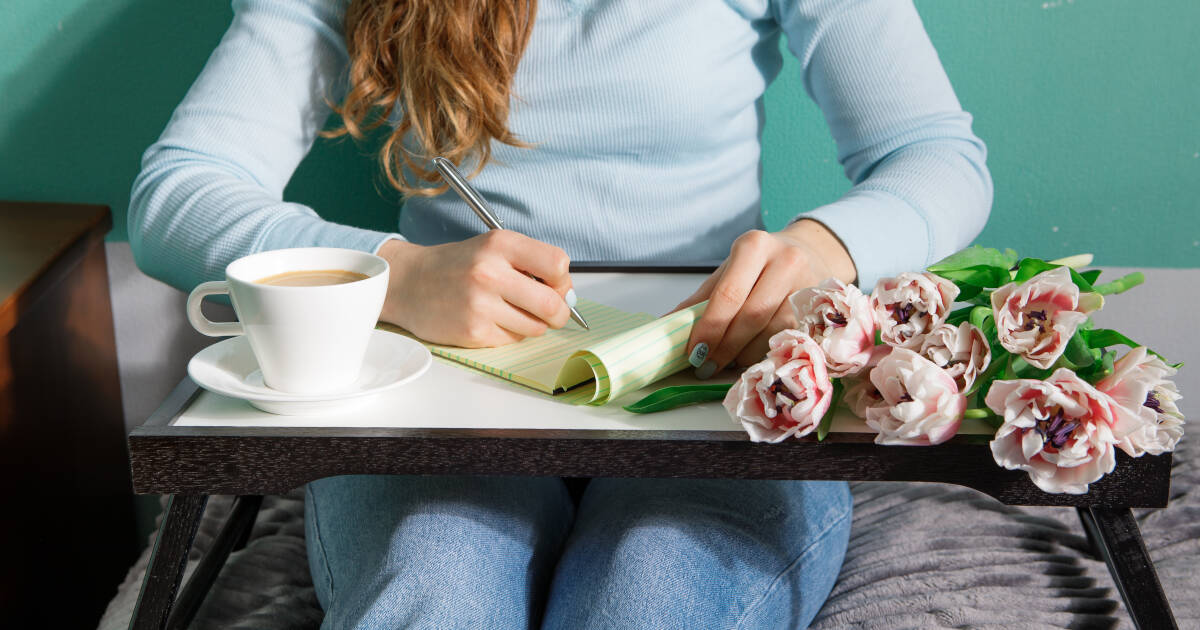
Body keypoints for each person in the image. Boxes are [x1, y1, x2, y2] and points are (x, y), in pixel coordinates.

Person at [129, 0, 991, 627]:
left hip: (713, 398)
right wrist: (397, 276)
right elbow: (177, 194)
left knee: (652, 599)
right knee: (438, 581)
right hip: (438, 406)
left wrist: (826, 246)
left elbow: (936, 158)